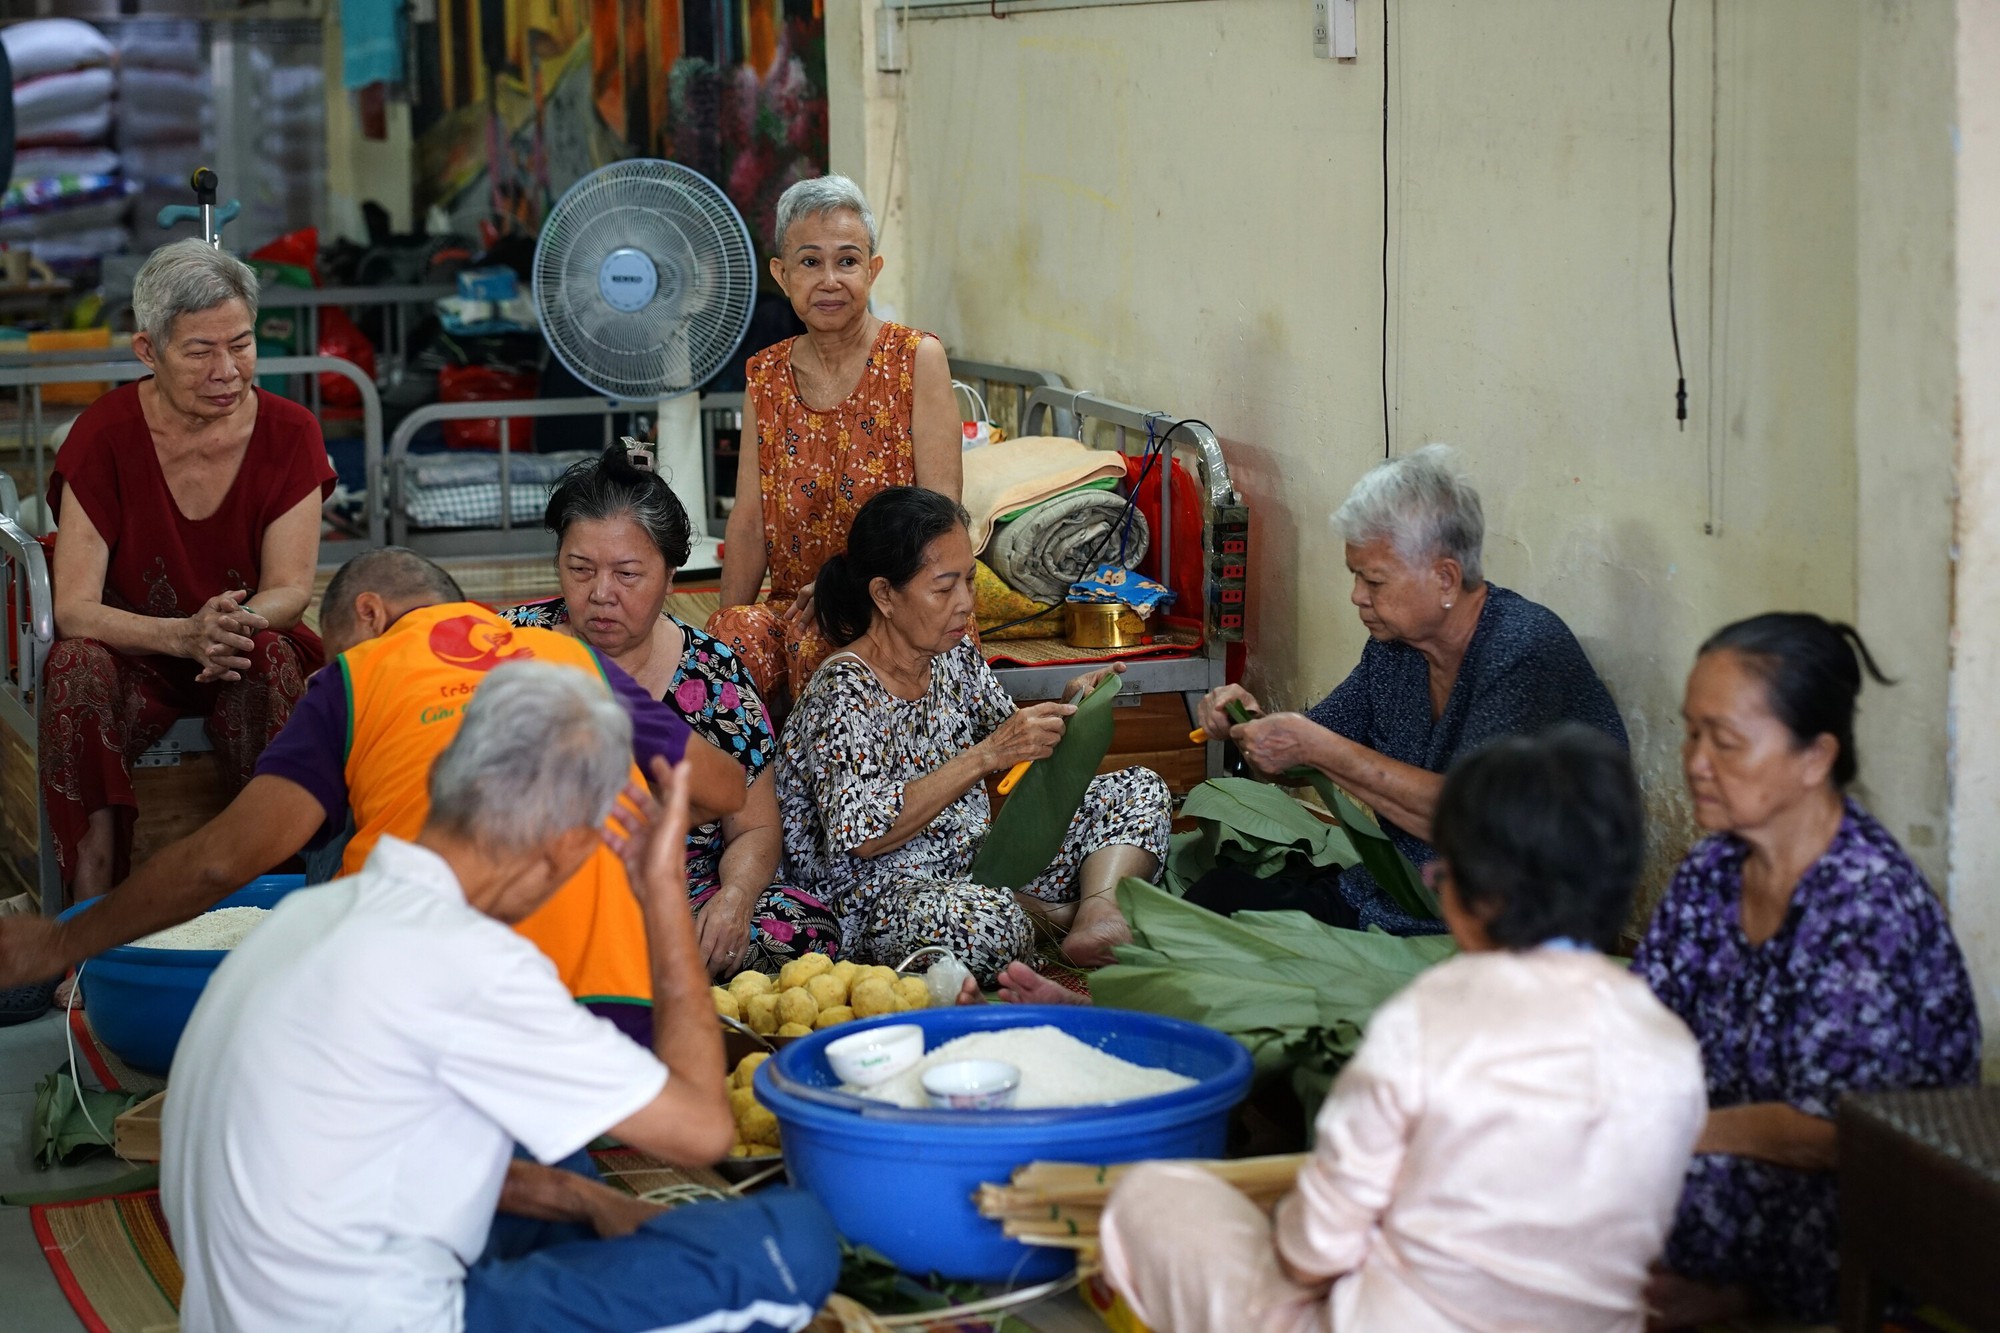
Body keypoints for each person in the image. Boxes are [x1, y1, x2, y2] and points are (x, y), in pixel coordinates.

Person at [162, 663, 841, 1333]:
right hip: (384, 1314)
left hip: (248, 1308)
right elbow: (703, 1129)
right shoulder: (473, 963)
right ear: (567, 849)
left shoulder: (306, 917)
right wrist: (663, 893)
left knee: (555, 1156)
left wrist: (581, 1199)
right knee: (795, 1239)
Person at [1099, 726, 1708, 1333]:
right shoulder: (1671, 1042)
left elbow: (1316, 1250)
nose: (1431, 881)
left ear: (1476, 898)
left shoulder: (1428, 1019)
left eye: (1446, 872)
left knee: (1155, 1197)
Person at [0, 549, 746, 1037]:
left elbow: (220, 863)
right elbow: (721, 785)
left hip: (426, 1027)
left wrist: (65, 939)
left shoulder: (355, 678)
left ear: (369, 616)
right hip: (614, 1027)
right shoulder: (568, 655)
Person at [1635, 614, 1980, 1329]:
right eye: (1691, 732)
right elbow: (1638, 1023)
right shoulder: (1713, 866)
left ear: (1814, 757)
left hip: (1850, 1199)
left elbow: (1825, 1132)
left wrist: (1663, 1133)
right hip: (1719, 1144)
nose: (1696, 760)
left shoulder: (1866, 903)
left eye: (1724, 740)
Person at [1195, 443, 1626, 935]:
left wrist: (1318, 747)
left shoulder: (1520, 648)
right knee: (1215, 900)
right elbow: (1302, 759)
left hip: (1512, 923)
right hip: (1404, 893)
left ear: (1445, 579)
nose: (1357, 596)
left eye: (1373, 580)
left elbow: (1474, 823)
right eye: (1355, 577)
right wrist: (1250, 727)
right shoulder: (1394, 650)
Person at [776, 486, 1170, 981]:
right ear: (884, 595)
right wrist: (988, 755)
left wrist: (1070, 708)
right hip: (880, 899)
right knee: (989, 928)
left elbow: (1007, 737)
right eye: (943, 588)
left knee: (1138, 790)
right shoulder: (843, 689)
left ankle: (1098, 916)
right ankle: (1054, 915)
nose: (965, 603)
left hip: (974, 863)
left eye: (969, 580)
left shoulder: (952, 654)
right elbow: (863, 838)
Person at [40, 238, 334, 898]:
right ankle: (90, 912)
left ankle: (277, 895)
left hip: (237, 641)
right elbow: (75, 607)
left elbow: (289, 586)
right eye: (201, 350)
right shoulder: (104, 434)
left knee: (272, 660)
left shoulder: (291, 433)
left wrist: (229, 627)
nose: (227, 369)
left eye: (242, 343)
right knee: (73, 667)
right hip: (134, 653)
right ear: (148, 351)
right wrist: (179, 635)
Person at [505, 445, 841, 977]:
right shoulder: (511, 645)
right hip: (541, 894)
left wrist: (733, 899)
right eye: (580, 569)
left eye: (628, 574)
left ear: (670, 574)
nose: (600, 594)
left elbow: (754, 828)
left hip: (677, 902)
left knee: (802, 928)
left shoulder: (713, 677)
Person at [709, 174, 961, 718]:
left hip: (896, 608)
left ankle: (818, 801)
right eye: (809, 262)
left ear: (872, 270)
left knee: (821, 649)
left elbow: (941, 520)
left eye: (847, 262)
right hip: (792, 608)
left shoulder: (918, 359)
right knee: (732, 643)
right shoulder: (765, 375)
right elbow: (749, 522)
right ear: (781, 275)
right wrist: (718, 645)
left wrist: (841, 590)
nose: (829, 280)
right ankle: (747, 799)